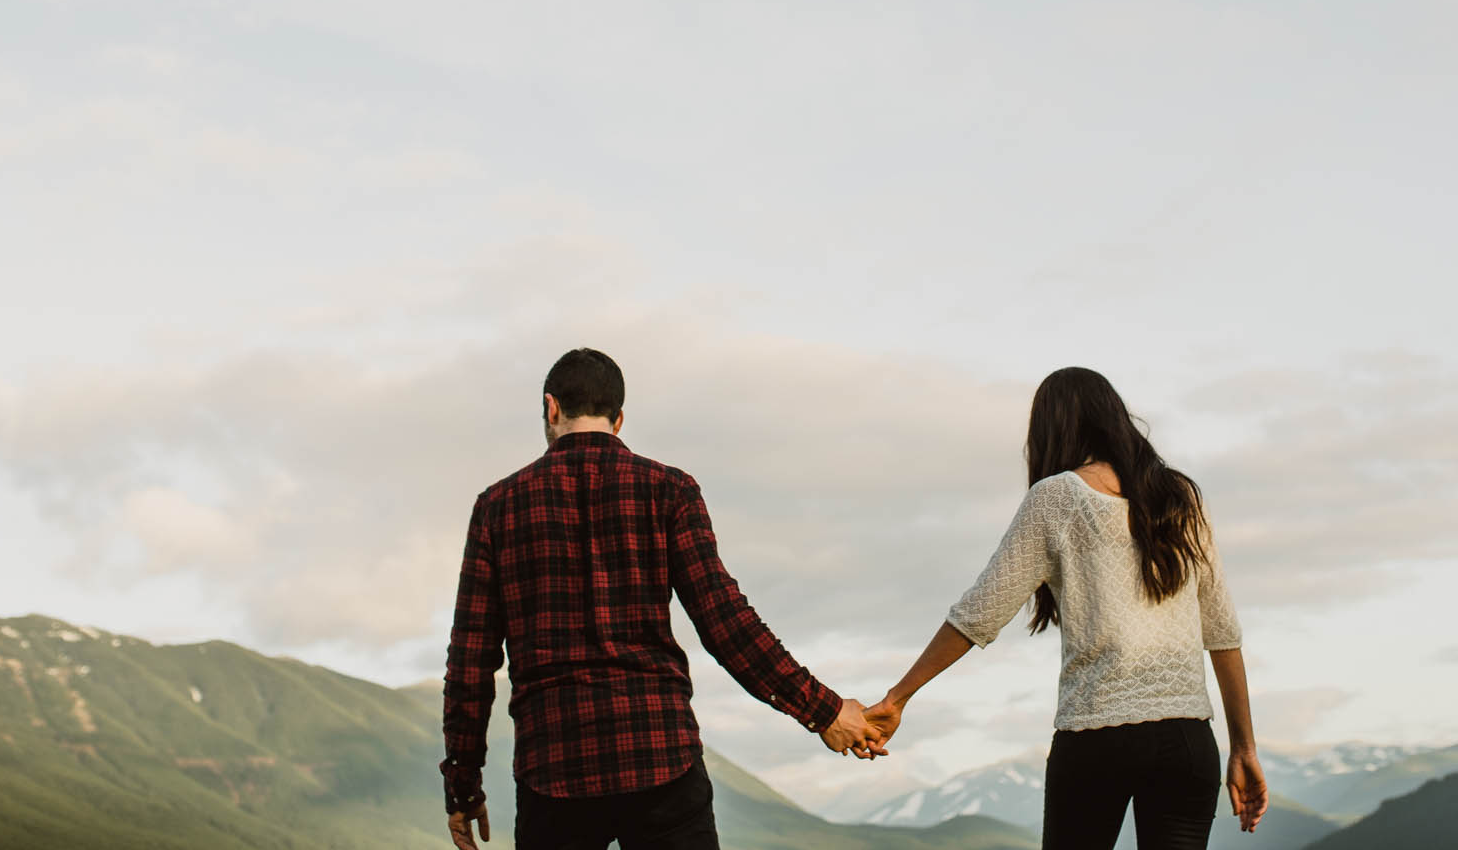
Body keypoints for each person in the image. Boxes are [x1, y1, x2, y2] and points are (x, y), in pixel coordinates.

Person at [440, 348, 883, 850]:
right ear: (619, 417)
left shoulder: (497, 508)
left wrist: (463, 784)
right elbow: (726, 624)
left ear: (551, 408)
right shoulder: (669, 490)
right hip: (660, 758)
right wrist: (821, 710)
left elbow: (470, 662)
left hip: (554, 768)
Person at [865, 366, 1270, 848]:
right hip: (1187, 741)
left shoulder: (1056, 497)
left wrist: (898, 696)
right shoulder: (1179, 497)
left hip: (1097, 735)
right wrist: (1243, 747)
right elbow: (1222, 632)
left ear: (1053, 430)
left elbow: (981, 611)